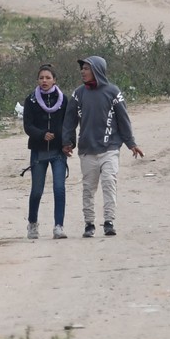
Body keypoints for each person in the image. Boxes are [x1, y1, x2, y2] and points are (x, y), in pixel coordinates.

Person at [61, 56, 143, 237]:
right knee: (89, 188)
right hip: (87, 150)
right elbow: (69, 120)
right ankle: (89, 224)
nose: (82, 71)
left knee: (109, 183)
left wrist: (131, 143)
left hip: (110, 148)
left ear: (97, 70)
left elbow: (123, 119)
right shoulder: (78, 94)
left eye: (86, 68)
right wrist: (67, 142)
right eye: (81, 69)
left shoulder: (113, 92)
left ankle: (109, 221)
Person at [22, 64, 69, 240]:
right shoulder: (31, 100)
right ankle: (32, 224)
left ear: (54, 80)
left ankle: (58, 226)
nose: (44, 81)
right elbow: (28, 125)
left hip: (58, 151)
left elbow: (69, 124)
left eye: (48, 78)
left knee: (59, 188)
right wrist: (42, 135)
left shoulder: (64, 100)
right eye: (41, 78)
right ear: (37, 80)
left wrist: (69, 143)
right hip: (38, 151)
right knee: (36, 191)